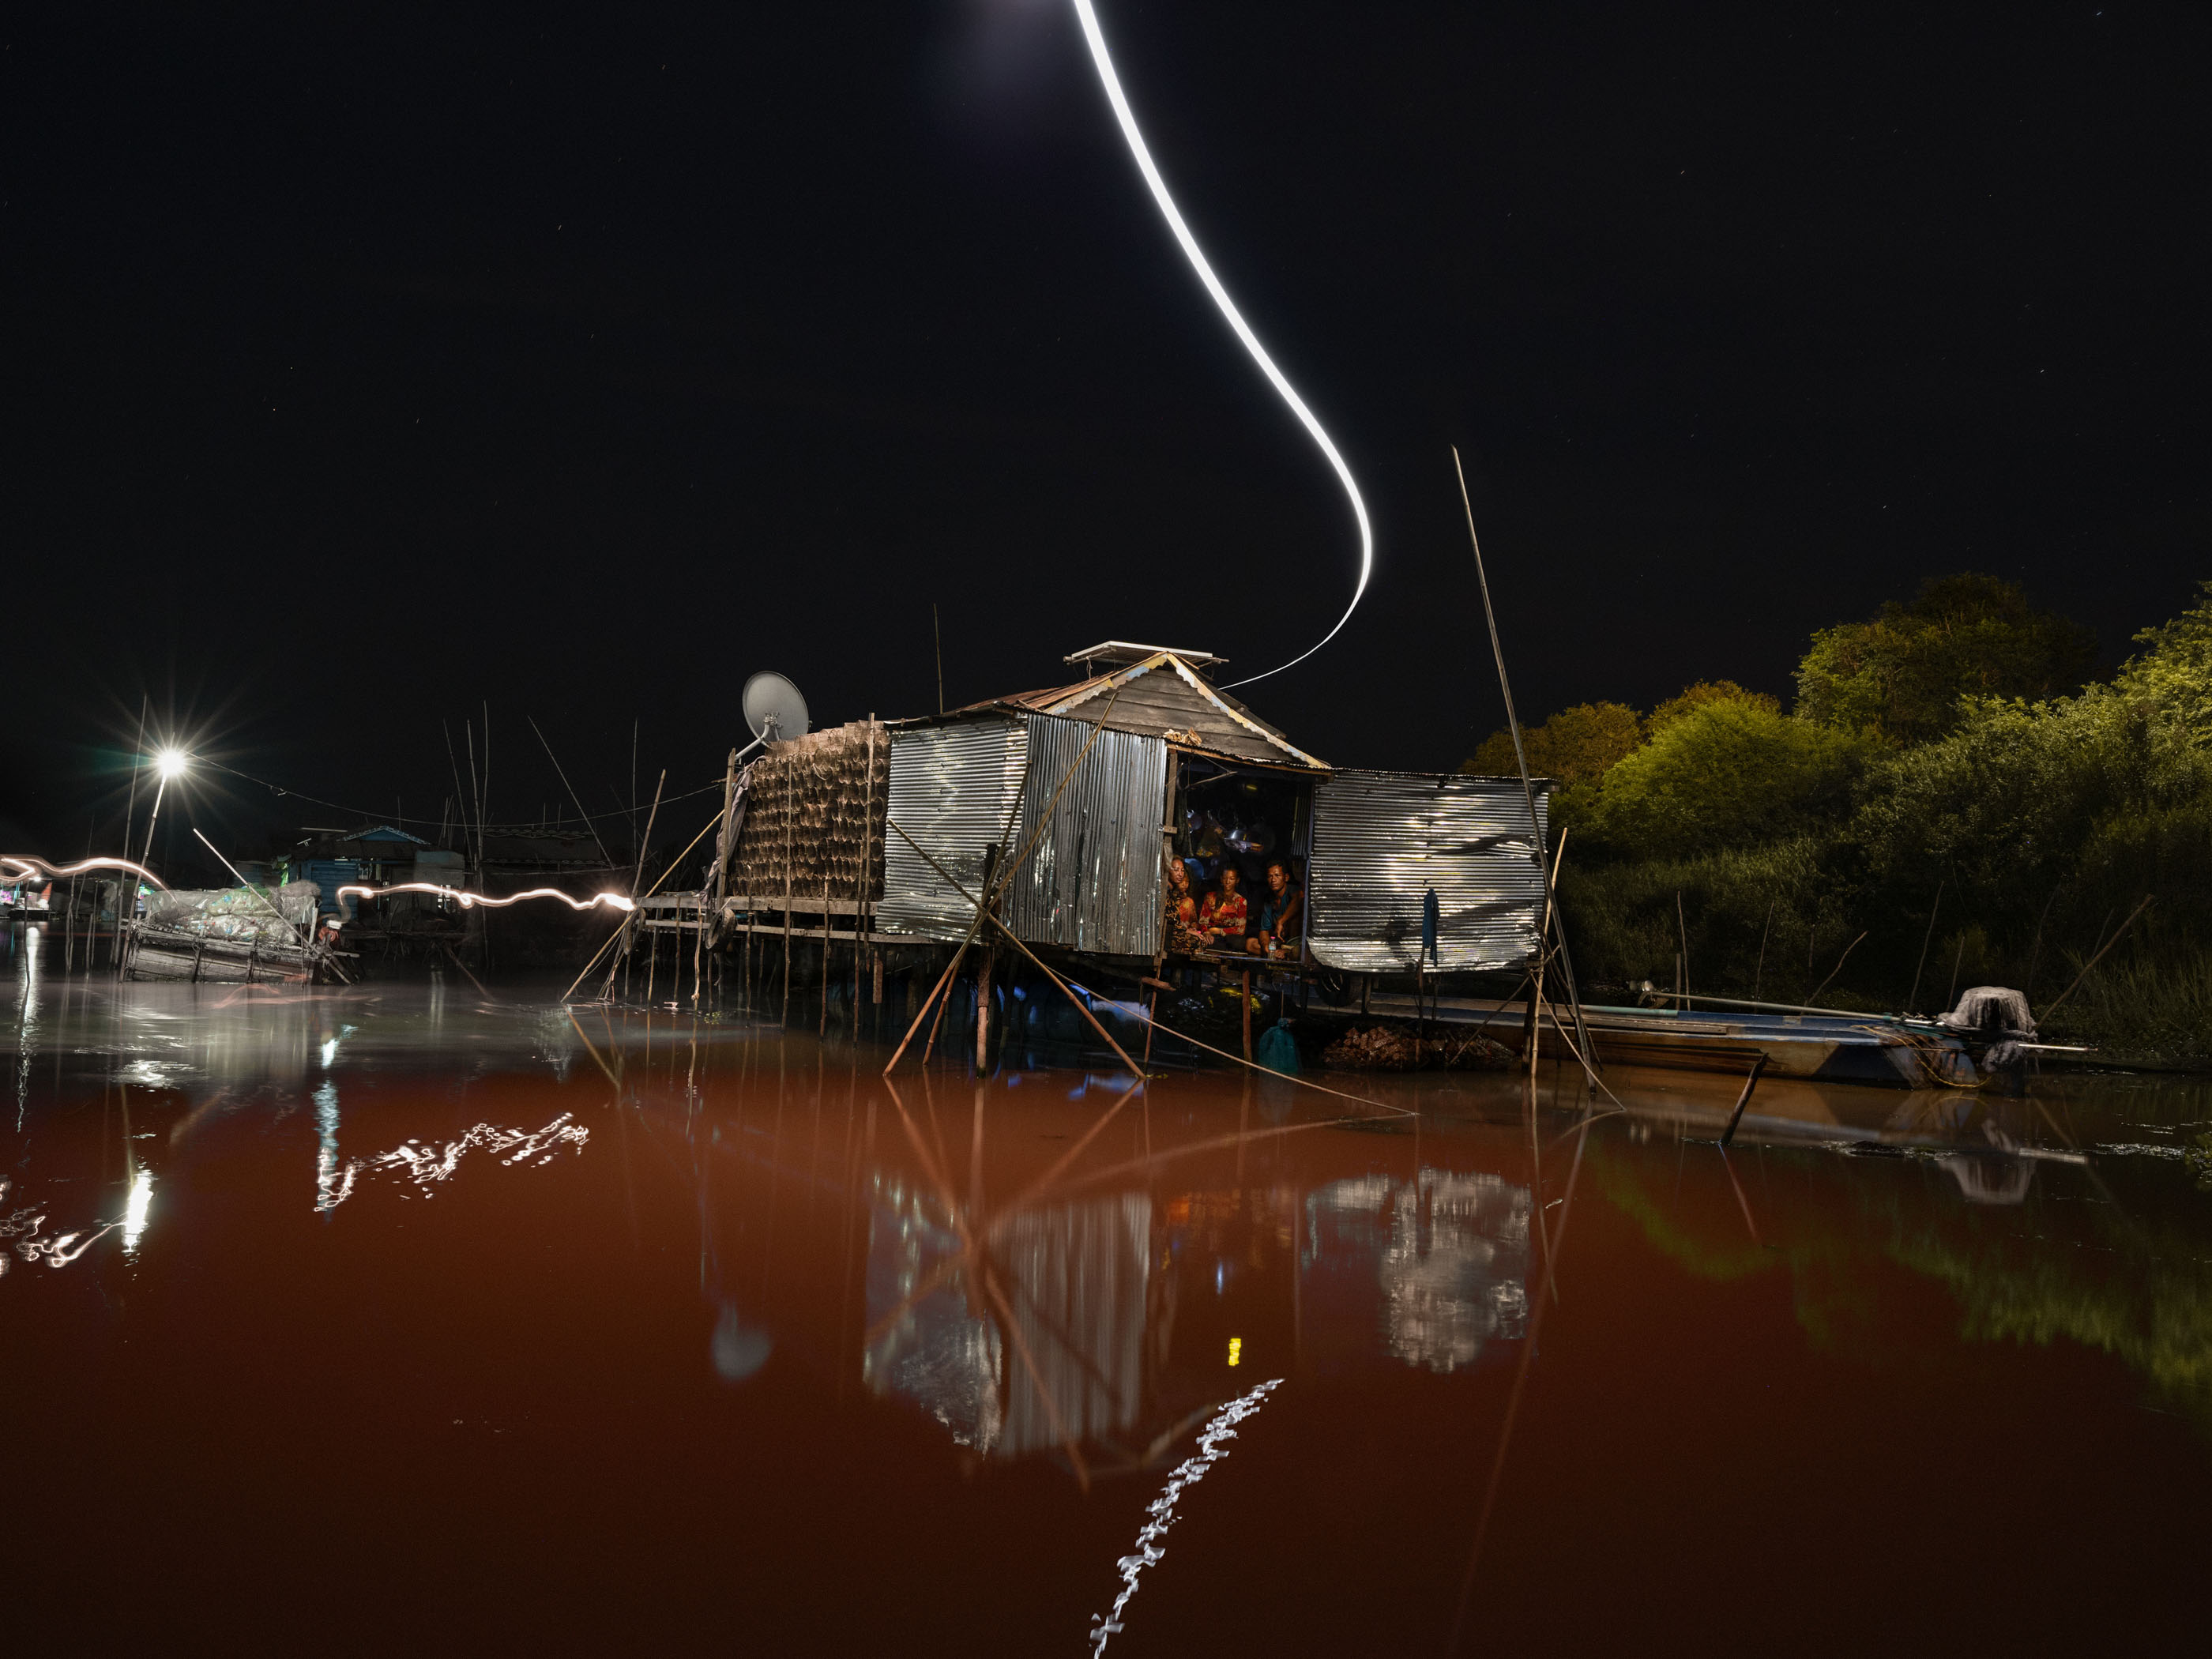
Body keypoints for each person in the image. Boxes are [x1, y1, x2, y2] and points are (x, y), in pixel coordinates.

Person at [1247, 858, 1304, 957]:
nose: (1273, 880)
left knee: (1294, 918)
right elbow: (1264, 930)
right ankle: (1277, 954)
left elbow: (1299, 897)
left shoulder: (1294, 892)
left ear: (1286, 877)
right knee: (1250, 944)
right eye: (1270, 876)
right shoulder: (1269, 900)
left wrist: (1281, 921)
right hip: (1278, 943)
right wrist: (1266, 945)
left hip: (1295, 943)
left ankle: (1287, 952)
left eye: (1277, 876)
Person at [1198, 864, 1247, 947]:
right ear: (1221, 879)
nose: (1227, 882)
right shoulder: (1210, 897)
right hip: (1211, 933)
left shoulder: (1241, 901)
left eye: (1231, 879)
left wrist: (1219, 931)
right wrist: (1206, 932)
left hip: (1230, 936)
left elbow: (1240, 929)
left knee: (1238, 942)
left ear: (1237, 880)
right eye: (1225, 878)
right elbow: (1203, 921)